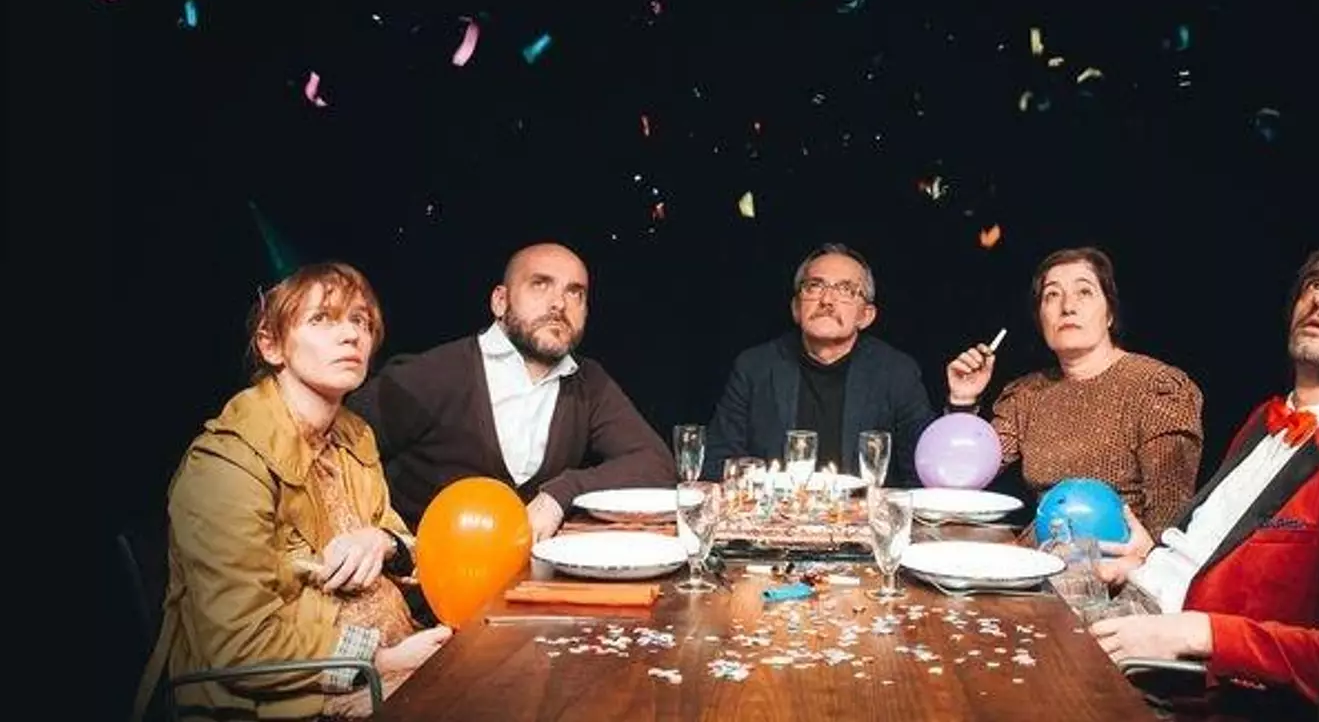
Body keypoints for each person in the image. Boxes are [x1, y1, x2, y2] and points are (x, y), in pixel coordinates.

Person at [1089, 239, 1319, 719]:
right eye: (1315, 283)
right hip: (1125, 612)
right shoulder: (1265, 419)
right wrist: (1147, 561)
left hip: (1178, 687)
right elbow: (1227, 557)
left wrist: (1200, 633)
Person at [132, 263, 452, 721]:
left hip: (397, 646)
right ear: (272, 345)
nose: (351, 335)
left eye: (360, 321)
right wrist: (379, 662)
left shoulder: (354, 436)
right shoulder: (226, 464)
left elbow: (406, 545)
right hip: (283, 699)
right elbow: (240, 646)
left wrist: (383, 541)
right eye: (322, 319)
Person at [348, 243, 673, 540]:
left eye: (575, 293)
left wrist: (565, 491)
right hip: (424, 579)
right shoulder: (430, 374)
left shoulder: (589, 383)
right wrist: (381, 540)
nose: (559, 303)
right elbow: (335, 448)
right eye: (540, 284)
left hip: (532, 578)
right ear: (500, 301)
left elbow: (656, 464)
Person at [945, 246, 1203, 532]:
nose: (1067, 306)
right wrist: (963, 400)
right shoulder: (1027, 394)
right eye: (1052, 295)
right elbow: (963, 473)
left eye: (1084, 292)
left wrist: (1146, 554)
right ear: (1041, 319)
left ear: (1109, 314)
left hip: (1122, 553)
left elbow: (1170, 512)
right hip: (1043, 548)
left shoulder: (1157, 388)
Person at [705, 243, 935, 486]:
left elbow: (924, 471)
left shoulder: (897, 372)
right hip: (777, 508)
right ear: (796, 308)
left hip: (863, 509)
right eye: (815, 286)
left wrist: (958, 405)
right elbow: (718, 463)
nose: (826, 300)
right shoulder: (755, 367)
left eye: (846, 290)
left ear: (866, 316)